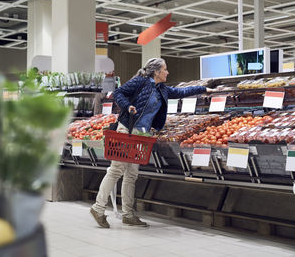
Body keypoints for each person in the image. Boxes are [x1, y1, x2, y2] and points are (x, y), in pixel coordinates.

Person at [90, 57, 213, 228]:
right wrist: (127, 106)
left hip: (141, 134)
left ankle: (128, 214)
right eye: (165, 69)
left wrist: (203, 89)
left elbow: (181, 92)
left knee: (131, 174)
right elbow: (119, 93)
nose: (167, 72)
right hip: (127, 129)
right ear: (156, 71)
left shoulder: (161, 89)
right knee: (117, 169)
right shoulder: (140, 82)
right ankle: (98, 208)